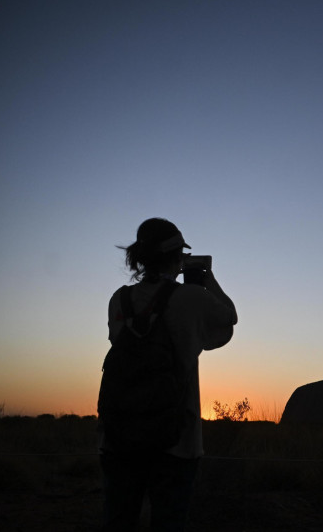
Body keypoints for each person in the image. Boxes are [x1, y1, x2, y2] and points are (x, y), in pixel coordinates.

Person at [99, 218, 237, 531]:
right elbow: (229, 317)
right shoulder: (191, 297)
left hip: (118, 437)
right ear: (177, 257)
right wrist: (207, 278)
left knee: (118, 521)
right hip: (177, 441)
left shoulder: (119, 299)